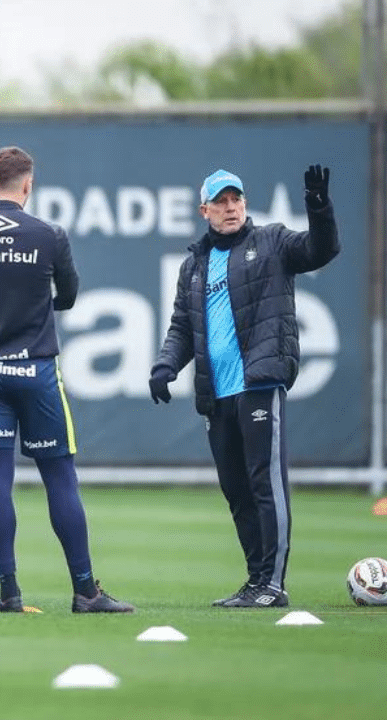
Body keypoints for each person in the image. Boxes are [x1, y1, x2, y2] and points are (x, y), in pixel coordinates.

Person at [0, 146, 132, 614]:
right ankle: (85, 591)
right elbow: (68, 295)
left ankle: (8, 592)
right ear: (28, 185)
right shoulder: (49, 235)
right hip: (36, 370)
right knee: (60, 479)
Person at [151, 165, 339, 608]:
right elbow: (182, 326)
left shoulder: (272, 242)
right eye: (221, 201)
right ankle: (255, 581)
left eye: (236, 199)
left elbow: (322, 248)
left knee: (264, 483)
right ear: (204, 210)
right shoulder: (193, 264)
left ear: (245, 204)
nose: (230, 207)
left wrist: (318, 205)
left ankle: (273, 584)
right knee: (236, 490)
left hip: (258, 381)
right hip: (216, 395)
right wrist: (165, 365)